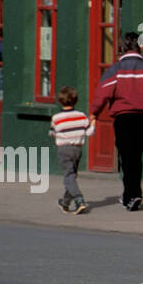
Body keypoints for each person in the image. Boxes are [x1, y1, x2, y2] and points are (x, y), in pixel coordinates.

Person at [89, 31, 143, 211]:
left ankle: (133, 194)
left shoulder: (115, 70)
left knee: (126, 157)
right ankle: (131, 194)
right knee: (136, 156)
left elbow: (102, 94)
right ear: (138, 48)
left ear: (122, 49)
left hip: (123, 118)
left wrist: (93, 113)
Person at [50, 86, 92, 214]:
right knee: (72, 176)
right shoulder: (81, 116)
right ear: (76, 100)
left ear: (60, 100)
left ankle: (79, 200)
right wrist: (93, 123)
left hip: (64, 148)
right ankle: (65, 202)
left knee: (68, 176)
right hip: (77, 149)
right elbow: (89, 132)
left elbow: (52, 133)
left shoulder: (56, 118)